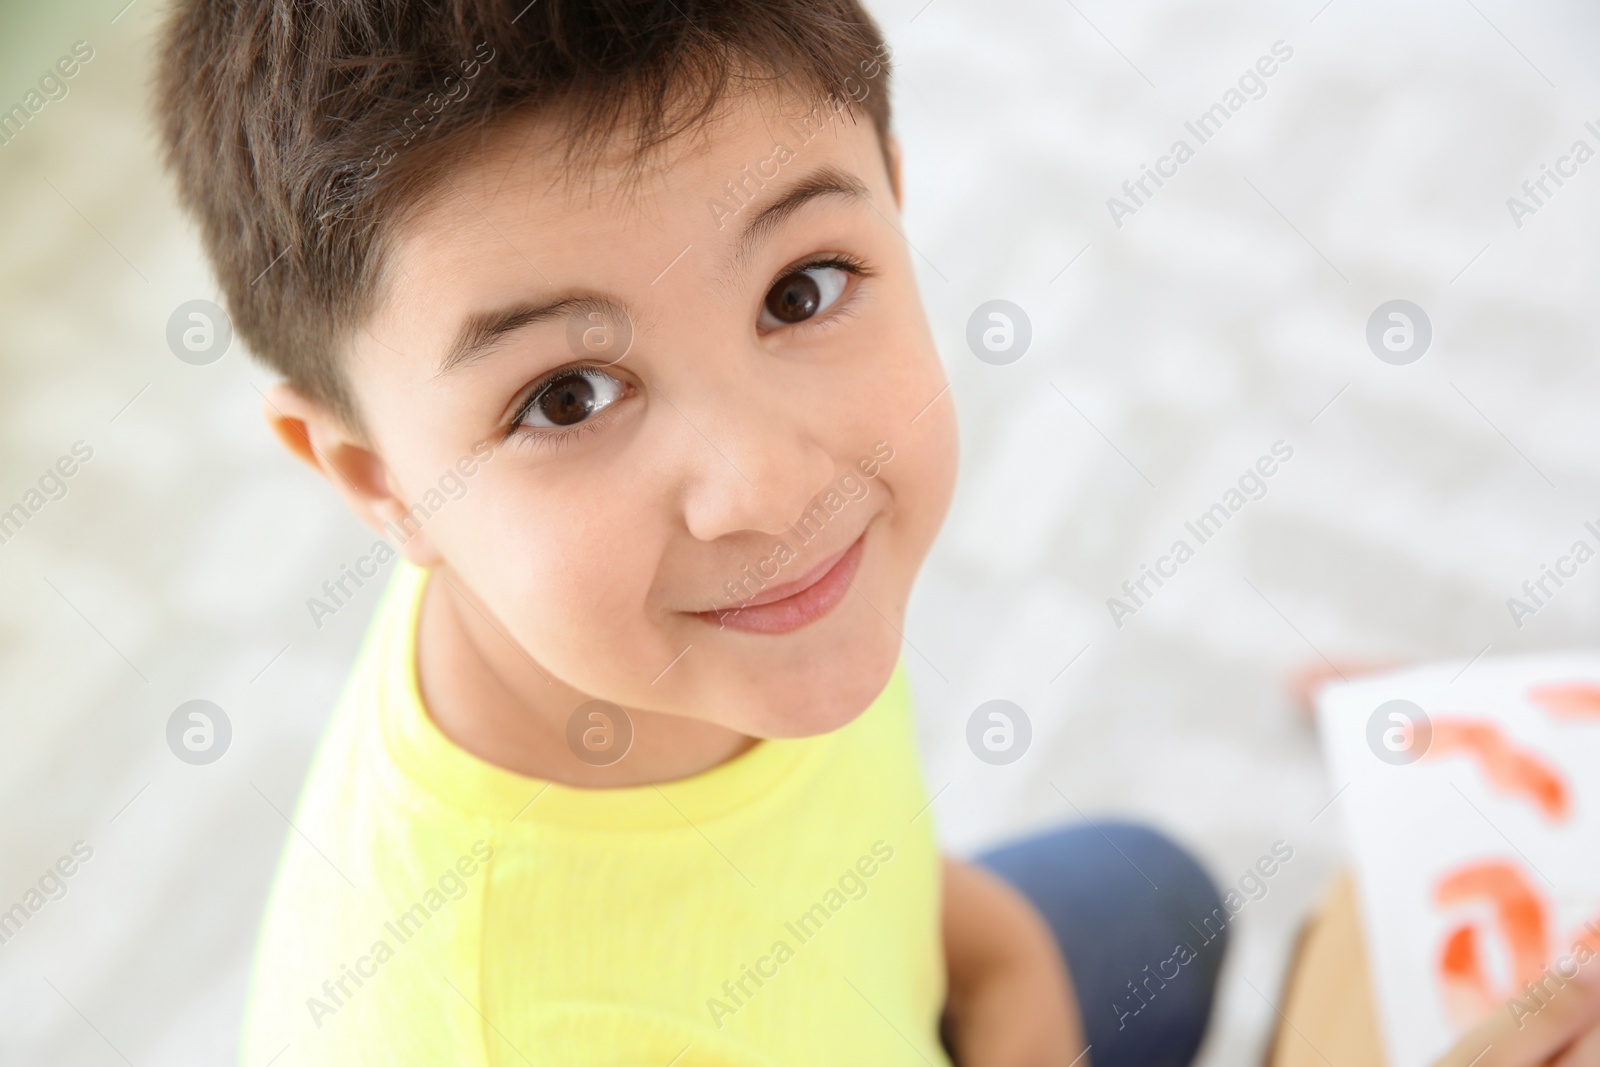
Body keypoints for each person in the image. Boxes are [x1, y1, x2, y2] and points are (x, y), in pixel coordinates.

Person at [154, 2, 1235, 1063]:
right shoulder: (516, 1026)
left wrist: (1007, 964)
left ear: (892, 203)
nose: (763, 489)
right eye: (568, 397)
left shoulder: (676, 612)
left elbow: (818, 863)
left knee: (1161, 897)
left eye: (800, 292)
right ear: (381, 479)